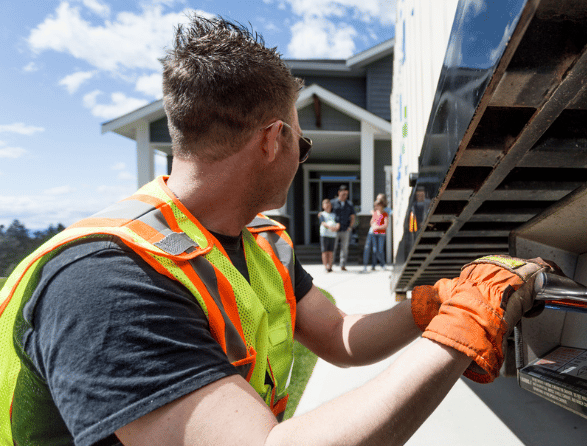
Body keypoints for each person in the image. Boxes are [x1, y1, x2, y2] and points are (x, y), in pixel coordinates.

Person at [0, 16, 555, 446]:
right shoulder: (105, 281)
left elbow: (339, 336)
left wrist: (431, 305)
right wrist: (463, 326)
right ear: (274, 140)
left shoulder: (260, 241)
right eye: (301, 144)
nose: (300, 158)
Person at [330, 184, 356, 271]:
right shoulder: (332, 203)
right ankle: (331, 265)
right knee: (333, 247)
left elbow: (352, 216)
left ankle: (342, 265)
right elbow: (327, 213)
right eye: (343, 194)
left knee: (344, 248)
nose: (345, 196)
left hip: (345, 229)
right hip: (334, 230)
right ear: (339, 193)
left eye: (346, 194)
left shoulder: (349, 204)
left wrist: (350, 227)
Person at [362, 195, 389, 272]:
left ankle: (383, 264)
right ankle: (373, 265)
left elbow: (386, 225)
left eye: (378, 205)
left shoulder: (385, 214)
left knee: (380, 250)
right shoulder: (375, 213)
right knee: (375, 250)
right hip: (374, 234)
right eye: (376, 206)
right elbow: (371, 222)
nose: (376, 207)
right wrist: (373, 225)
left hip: (381, 234)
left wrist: (378, 227)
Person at [318, 198, 339, 272]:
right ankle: (325, 266)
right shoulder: (321, 214)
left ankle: (330, 266)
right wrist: (330, 227)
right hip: (324, 235)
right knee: (324, 251)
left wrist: (336, 228)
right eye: (325, 204)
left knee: (331, 252)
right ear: (323, 206)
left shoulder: (334, 214)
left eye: (329, 204)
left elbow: (338, 223)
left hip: (332, 235)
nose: (327, 205)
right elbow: (323, 223)